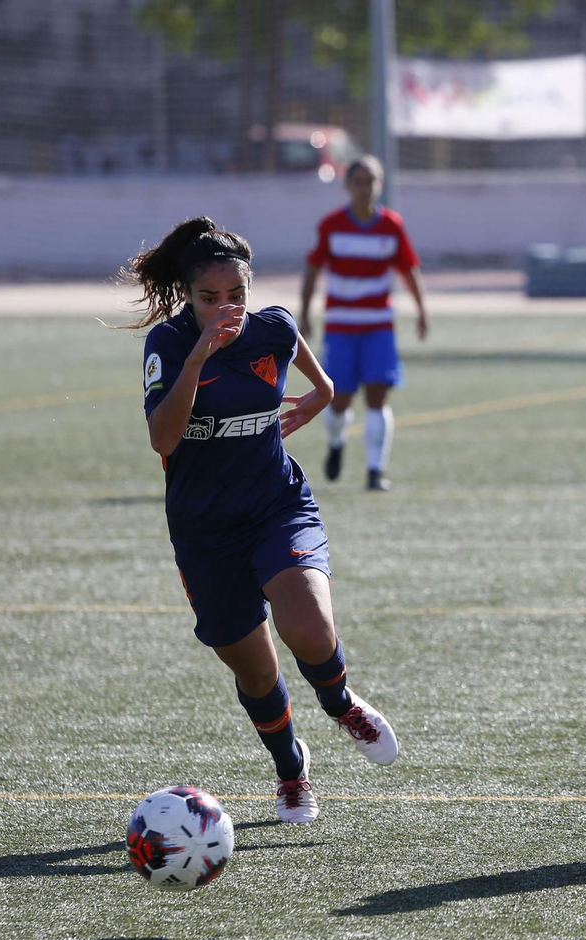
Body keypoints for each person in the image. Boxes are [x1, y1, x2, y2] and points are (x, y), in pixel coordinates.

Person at [127, 216, 401, 824]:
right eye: (209, 298)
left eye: (237, 296)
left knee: (307, 626)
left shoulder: (274, 327)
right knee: (255, 669)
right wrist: (201, 354)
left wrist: (311, 403)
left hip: (277, 504)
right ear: (187, 296)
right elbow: (162, 438)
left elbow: (326, 386)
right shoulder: (169, 346)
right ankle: (291, 769)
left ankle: (339, 702)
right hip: (204, 528)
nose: (226, 308)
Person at [300, 155, 429, 492]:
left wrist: (421, 311)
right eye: (358, 181)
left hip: (378, 326)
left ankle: (375, 471)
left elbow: (409, 270)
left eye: (370, 181)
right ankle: (337, 442)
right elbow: (313, 269)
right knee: (338, 398)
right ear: (347, 186)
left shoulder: (392, 225)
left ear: (379, 185)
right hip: (341, 326)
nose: (364, 187)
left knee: (377, 395)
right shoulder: (331, 225)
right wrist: (304, 312)